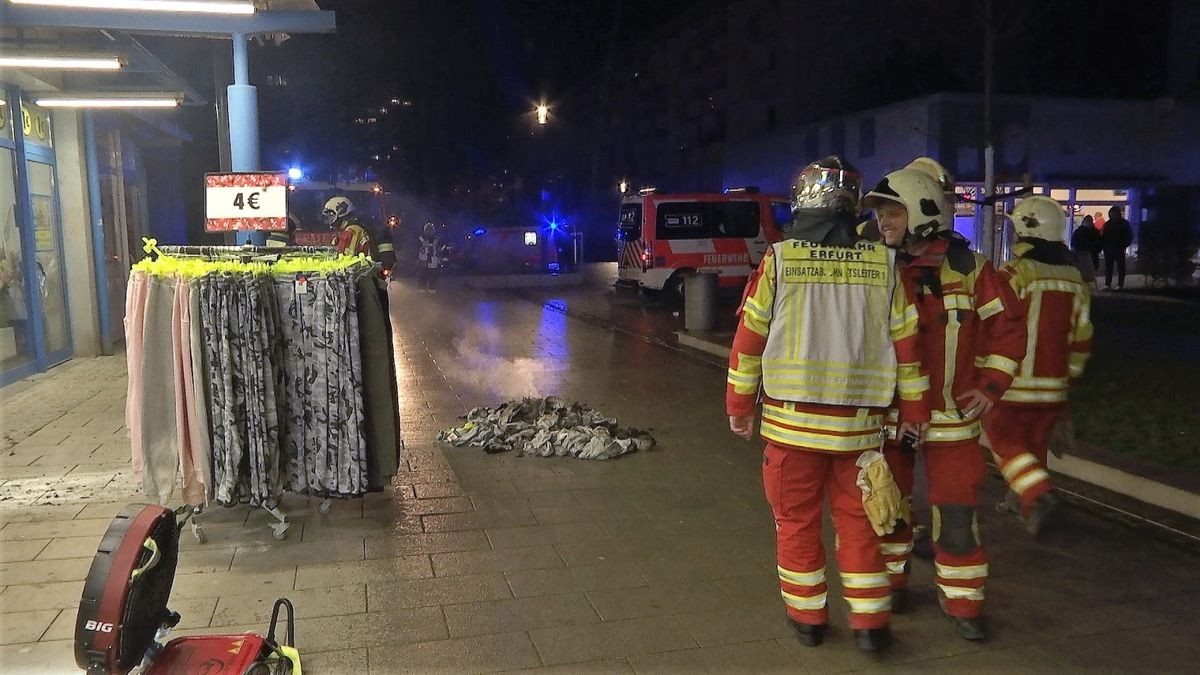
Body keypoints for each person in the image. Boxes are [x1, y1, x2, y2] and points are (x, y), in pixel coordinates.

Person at [727, 156, 930, 653]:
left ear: (801, 203)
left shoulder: (781, 260)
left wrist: (739, 405)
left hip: (791, 430)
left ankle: (809, 618)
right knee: (860, 523)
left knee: (795, 523)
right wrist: (916, 416)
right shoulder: (884, 265)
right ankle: (869, 622)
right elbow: (909, 349)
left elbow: (748, 339)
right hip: (860, 433)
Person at [863, 167, 1026, 642]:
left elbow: (1009, 327)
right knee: (888, 506)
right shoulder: (876, 265)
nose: (884, 222)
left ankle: (963, 603)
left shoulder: (972, 269)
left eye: (893, 211)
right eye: (880, 213)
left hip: (952, 421)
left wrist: (992, 385)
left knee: (956, 514)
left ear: (922, 212)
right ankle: (893, 586)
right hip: (890, 418)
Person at [986, 196, 1093, 536]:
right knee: (1032, 445)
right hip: (1053, 387)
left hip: (1013, 383)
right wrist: (1069, 383)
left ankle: (1038, 494)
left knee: (1004, 440)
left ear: (1022, 232)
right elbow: (1083, 338)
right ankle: (1026, 503)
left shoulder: (1015, 274)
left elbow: (994, 324)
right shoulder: (1075, 279)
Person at [324, 196, 397, 272]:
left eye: (331, 216)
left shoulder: (352, 230)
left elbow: (347, 258)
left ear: (341, 213)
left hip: (363, 272)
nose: (329, 220)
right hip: (365, 270)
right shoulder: (351, 228)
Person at [1101, 205, 1133, 289]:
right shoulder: (1108, 224)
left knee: (1120, 266)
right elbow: (1103, 236)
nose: (1113, 215)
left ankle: (1119, 284)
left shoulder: (1123, 224)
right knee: (1109, 267)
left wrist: (1123, 244)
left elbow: (1128, 236)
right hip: (1109, 248)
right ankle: (1108, 283)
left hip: (1118, 248)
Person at [1070, 215, 1101, 285]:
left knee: (1083, 273)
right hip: (1090, 256)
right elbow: (1099, 244)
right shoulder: (1095, 232)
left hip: (1082, 256)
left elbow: (1074, 244)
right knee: (1091, 274)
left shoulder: (1078, 232)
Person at [416, 223, 447, 292]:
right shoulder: (420, 239)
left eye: (431, 230)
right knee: (422, 274)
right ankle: (421, 287)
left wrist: (441, 256)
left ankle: (431, 287)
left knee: (432, 275)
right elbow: (416, 248)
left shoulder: (438, 239)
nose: (429, 231)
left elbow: (443, 247)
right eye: (427, 230)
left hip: (433, 260)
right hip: (423, 260)